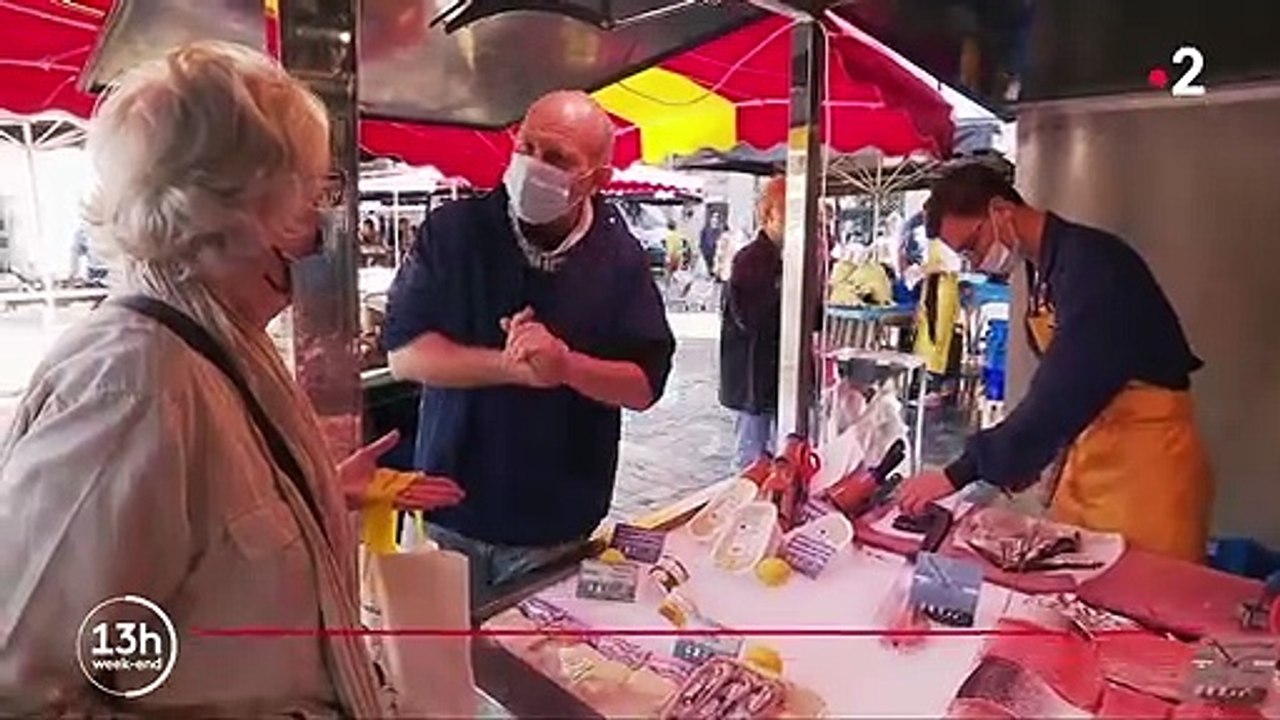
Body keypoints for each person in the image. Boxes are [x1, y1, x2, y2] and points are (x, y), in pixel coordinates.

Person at [0, 42, 464, 715]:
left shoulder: (215, 340)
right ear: (241, 209)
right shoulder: (133, 384)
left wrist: (319, 495)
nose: (317, 234)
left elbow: (200, 546)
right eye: (309, 200)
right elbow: (23, 684)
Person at [382, 90, 675, 605]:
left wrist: (566, 366)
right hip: (450, 513)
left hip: (557, 525)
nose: (534, 166)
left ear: (598, 179)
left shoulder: (619, 256)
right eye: (527, 147)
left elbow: (645, 384)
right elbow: (405, 354)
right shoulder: (453, 232)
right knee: (441, 664)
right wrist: (514, 368)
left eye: (558, 158)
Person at [896, 163, 1213, 563]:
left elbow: (1064, 388)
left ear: (1001, 210)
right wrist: (1032, 455)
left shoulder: (1094, 265)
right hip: (1095, 454)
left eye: (971, 247)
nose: (974, 264)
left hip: (1147, 473)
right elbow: (1071, 387)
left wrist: (959, 471)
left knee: (1136, 604)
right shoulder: (1042, 268)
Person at [719, 177, 787, 469]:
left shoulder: (786, 258)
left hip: (773, 378)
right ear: (770, 214)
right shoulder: (750, 260)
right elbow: (751, 320)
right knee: (752, 461)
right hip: (753, 377)